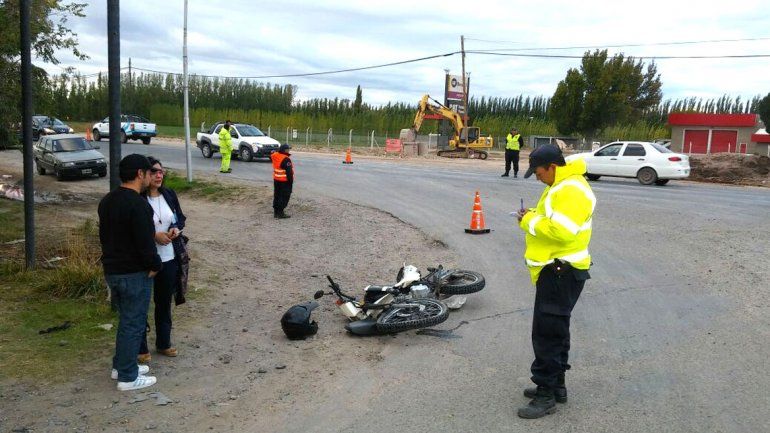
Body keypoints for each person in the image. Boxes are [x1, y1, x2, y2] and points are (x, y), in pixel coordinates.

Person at [514, 144, 596, 419]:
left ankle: (546, 394)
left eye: (538, 172)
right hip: (558, 270)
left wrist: (528, 221)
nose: (538, 178)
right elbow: (553, 219)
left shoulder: (571, 189)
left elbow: (561, 231)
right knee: (556, 329)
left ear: (552, 166)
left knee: (547, 334)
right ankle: (557, 385)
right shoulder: (560, 184)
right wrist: (533, 216)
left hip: (561, 270)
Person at [98, 154, 161, 391]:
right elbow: (145, 243)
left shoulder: (108, 200)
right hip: (134, 274)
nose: (151, 177)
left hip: (113, 270)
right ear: (139, 174)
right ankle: (127, 377)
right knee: (134, 323)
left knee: (126, 321)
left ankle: (121, 365)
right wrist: (155, 265)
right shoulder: (138, 205)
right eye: (148, 172)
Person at [137, 157, 187, 363]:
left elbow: (180, 218)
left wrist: (175, 228)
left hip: (169, 258)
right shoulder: (138, 199)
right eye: (154, 171)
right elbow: (133, 229)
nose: (159, 175)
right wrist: (153, 236)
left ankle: (163, 343)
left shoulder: (169, 194)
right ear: (144, 174)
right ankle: (141, 347)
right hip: (145, 261)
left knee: (164, 302)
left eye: (161, 172)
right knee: (141, 304)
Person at [271, 143, 294, 219]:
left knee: (277, 195)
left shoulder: (275, 155)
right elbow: (289, 172)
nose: (289, 150)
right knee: (284, 197)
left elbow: (272, 154)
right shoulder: (286, 159)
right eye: (288, 149)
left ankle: (276, 213)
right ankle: (280, 213)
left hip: (276, 179)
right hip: (285, 181)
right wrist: (291, 182)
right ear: (285, 150)